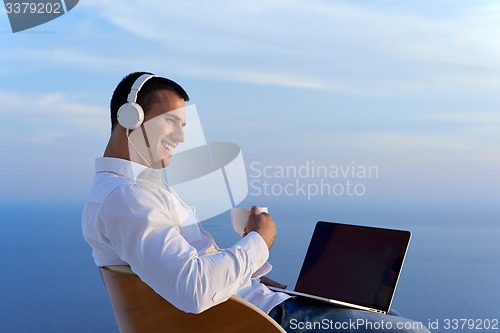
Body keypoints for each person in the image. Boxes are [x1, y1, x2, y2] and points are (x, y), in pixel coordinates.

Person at [82, 71, 431, 333]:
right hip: (266, 321)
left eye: (184, 124)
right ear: (131, 118)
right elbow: (193, 290)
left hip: (261, 306)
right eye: (171, 120)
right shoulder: (127, 198)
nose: (182, 136)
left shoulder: (131, 192)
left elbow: (187, 270)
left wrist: (248, 271)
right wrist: (258, 242)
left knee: (386, 316)